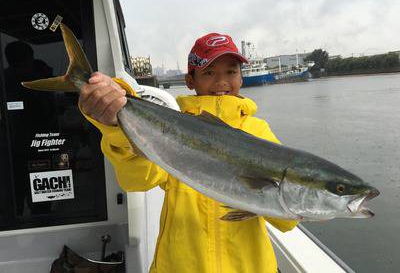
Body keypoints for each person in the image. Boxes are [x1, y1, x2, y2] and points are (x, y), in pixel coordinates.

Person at [79, 33, 298, 272]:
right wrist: (115, 124)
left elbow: (286, 221)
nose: (222, 81)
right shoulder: (172, 128)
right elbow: (138, 179)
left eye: (231, 72)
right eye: (209, 72)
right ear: (190, 80)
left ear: (241, 77)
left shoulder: (258, 130)